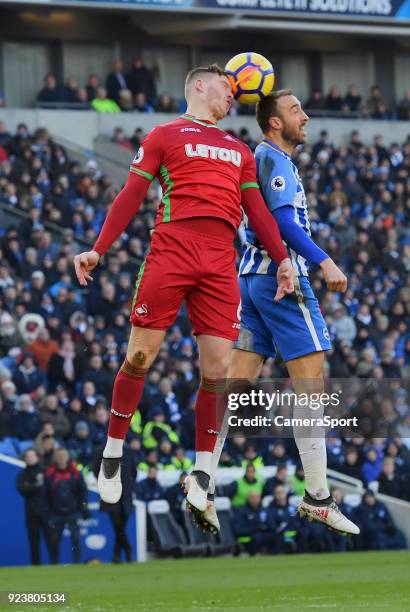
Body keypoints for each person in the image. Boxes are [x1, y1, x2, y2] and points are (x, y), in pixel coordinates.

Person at [73, 65, 294, 517]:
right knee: (139, 357)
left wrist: (284, 258)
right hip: (170, 252)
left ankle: (202, 473)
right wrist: (98, 249)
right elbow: (131, 195)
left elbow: (259, 211)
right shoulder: (164, 134)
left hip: (218, 262)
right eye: (225, 87)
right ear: (198, 85)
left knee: (218, 373)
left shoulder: (239, 150)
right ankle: (113, 454)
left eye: (235, 91)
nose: (232, 96)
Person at [200, 89, 359, 537]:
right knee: (311, 387)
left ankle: (203, 480)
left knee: (235, 385)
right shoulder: (273, 160)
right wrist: (324, 260)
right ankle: (318, 497)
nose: (305, 117)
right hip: (280, 278)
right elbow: (285, 223)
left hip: (249, 281)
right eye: (295, 111)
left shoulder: (261, 158)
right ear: (274, 123)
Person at [46, 447, 90, 564]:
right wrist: (48, 511)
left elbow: (83, 492)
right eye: (59, 456)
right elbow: (45, 494)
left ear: (67, 457)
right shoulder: (50, 473)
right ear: (55, 458)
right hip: (56, 513)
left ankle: (77, 563)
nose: (61, 458)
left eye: (63, 456)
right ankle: (54, 563)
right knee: (54, 540)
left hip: (73, 512)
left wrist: (84, 507)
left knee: (76, 539)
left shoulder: (75, 473)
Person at [93, 446, 136, 563]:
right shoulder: (101, 451)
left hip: (126, 497)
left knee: (120, 529)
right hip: (111, 496)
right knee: (119, 527)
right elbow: (96, 471)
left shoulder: (128, 452)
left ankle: (116, 556)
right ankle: (128, 550)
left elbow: (134, 472)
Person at [16, 448, 52, 565]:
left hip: (46, 511)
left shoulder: (45, 471)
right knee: (34, 541)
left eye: (32, 456)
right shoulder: (22, 474)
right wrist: (36, 486)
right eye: (28, 456)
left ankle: (54, 563)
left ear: (37, 457)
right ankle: (36, 564)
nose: (30, 458)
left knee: (50, 540)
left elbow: (49, 489)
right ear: (25, 459)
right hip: (31, 512)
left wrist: (31, 486)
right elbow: (21, 489)